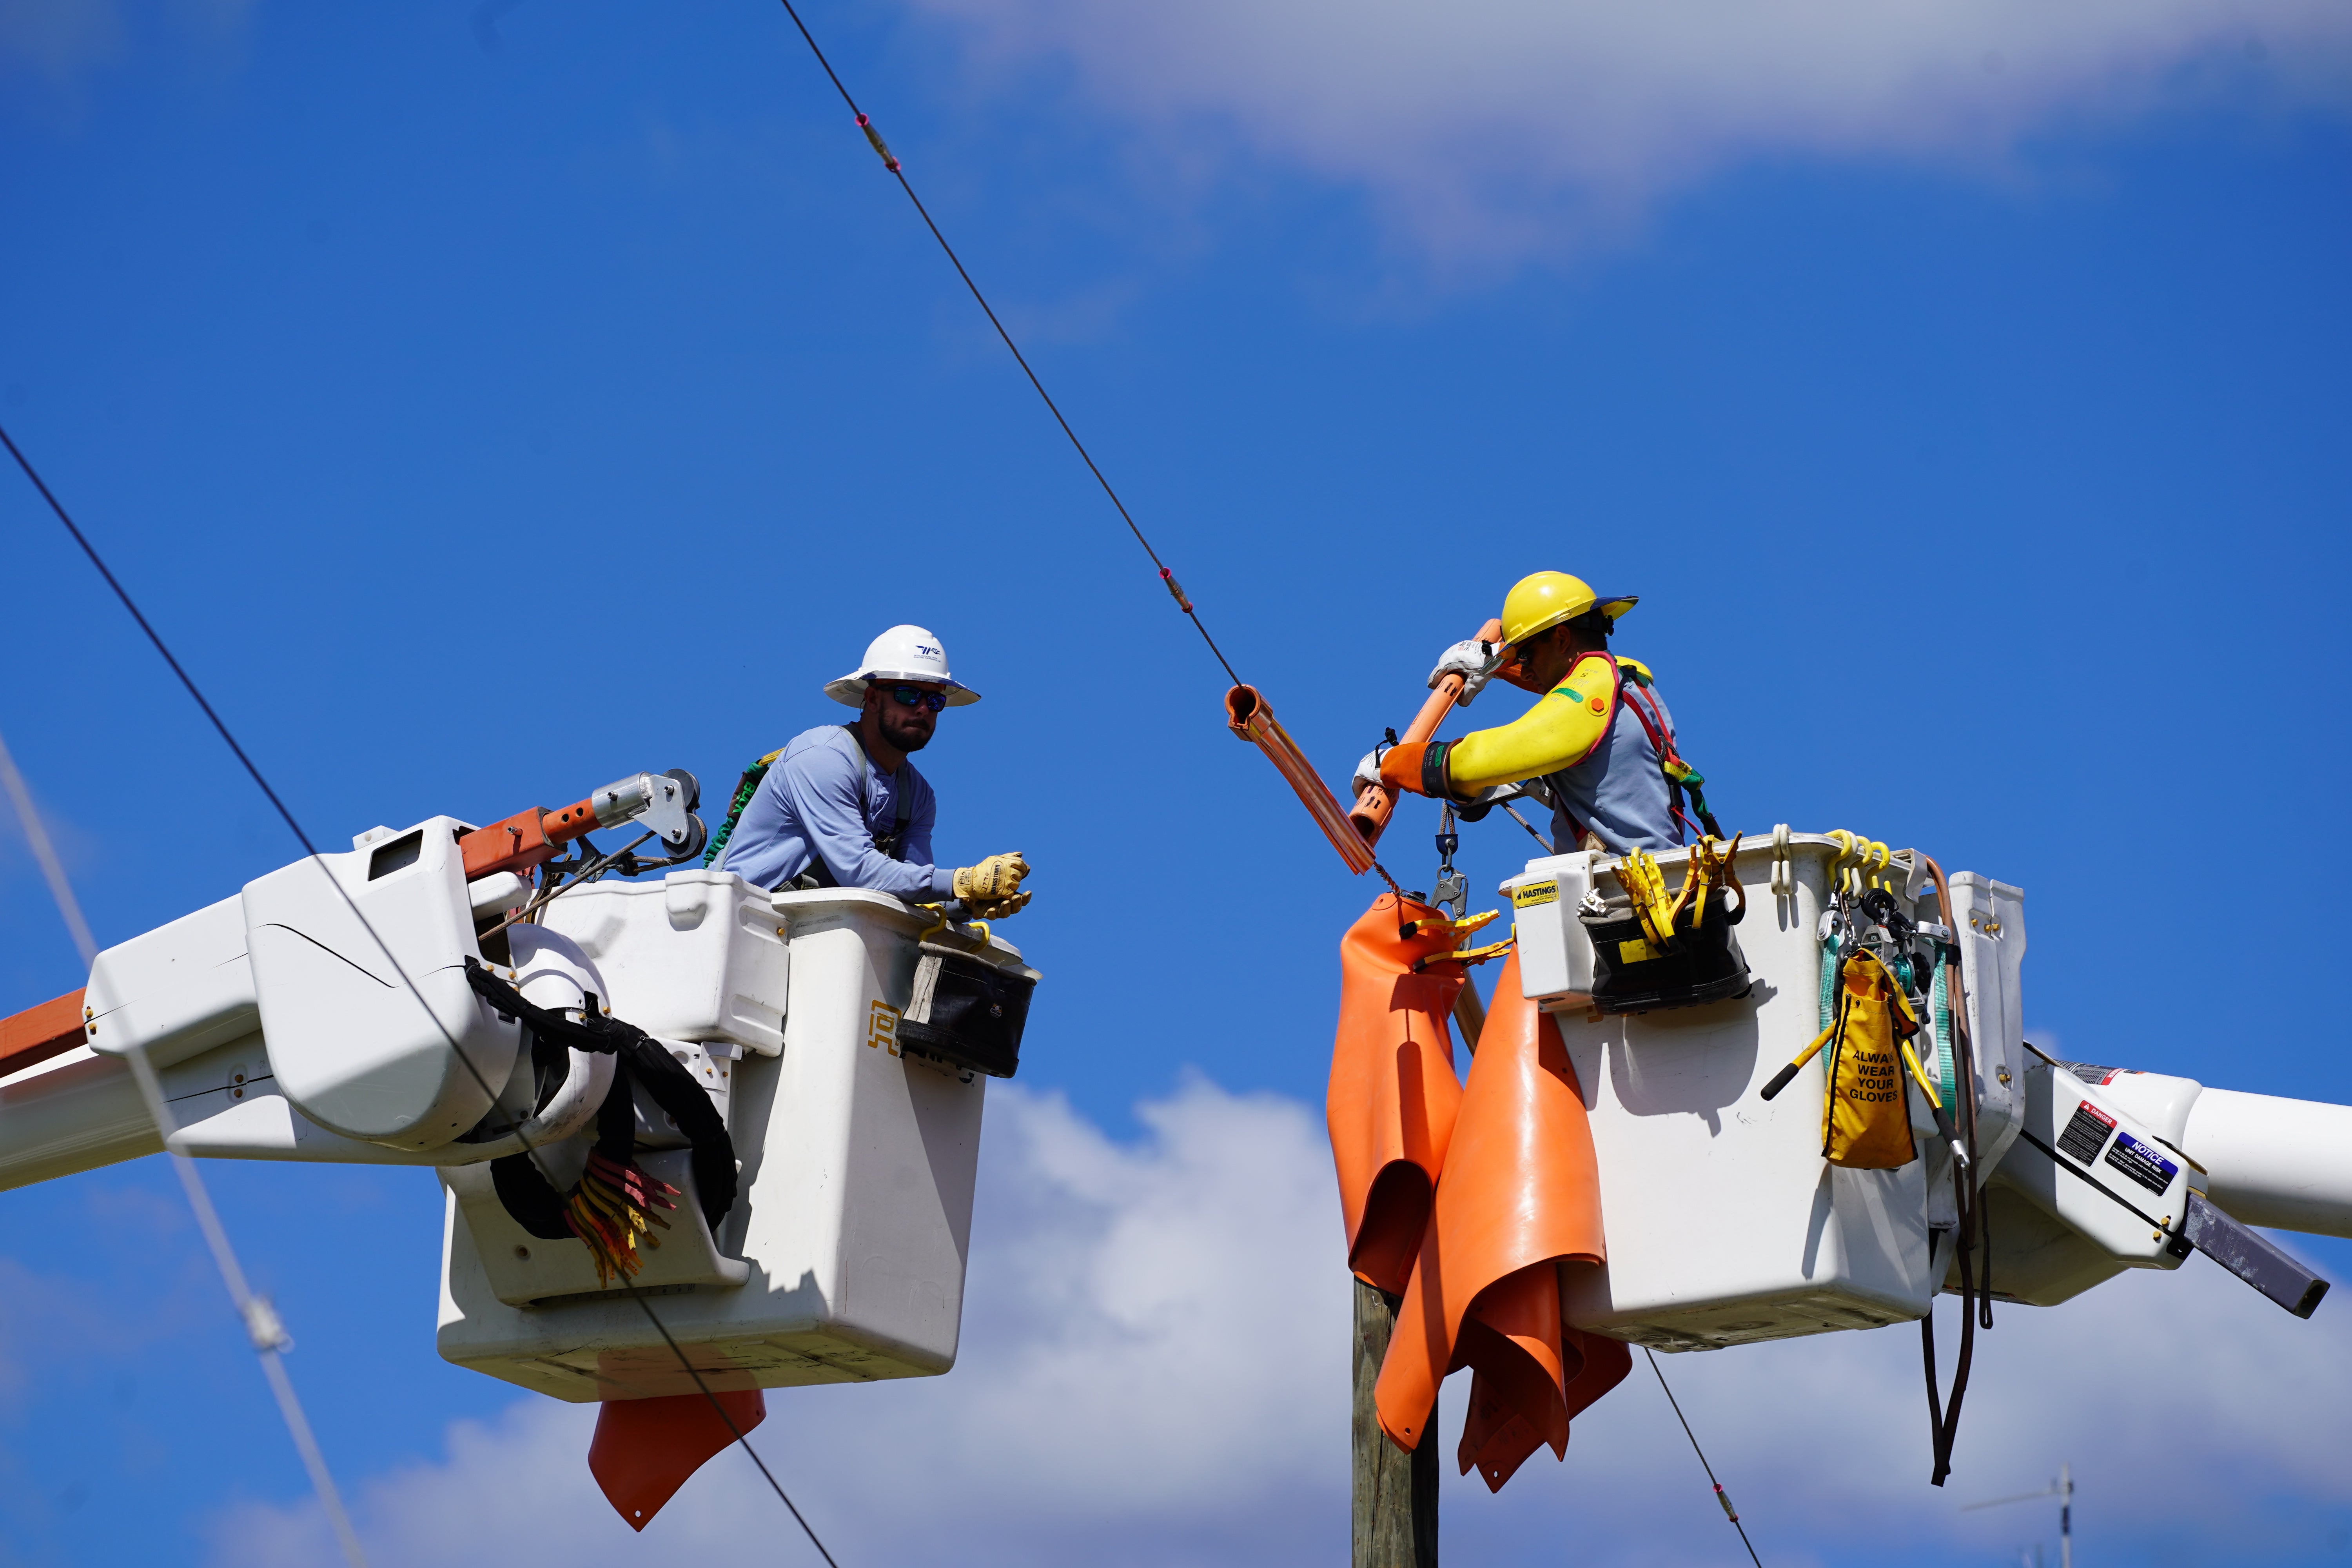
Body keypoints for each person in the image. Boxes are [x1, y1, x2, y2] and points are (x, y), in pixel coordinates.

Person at [1354, 572, 1719, 855]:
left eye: (1526, 657)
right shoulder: (1629, 682)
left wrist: (1393, 762)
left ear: (1561, 639)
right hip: (1651, 888)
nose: (1525, 671)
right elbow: (1575, 684)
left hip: (1625, 899)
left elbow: (1478, 760)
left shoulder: (1589, 698)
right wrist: (1495, 665)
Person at [711, 625, 1031, 918]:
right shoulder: (823, 758)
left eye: (934, 700)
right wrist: (962, 880)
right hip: (736, 924)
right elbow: (860, 870)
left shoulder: (917, 796)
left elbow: (913, 889)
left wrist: (968, 902)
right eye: (908, 694)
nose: (922, 709)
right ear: (873, 698)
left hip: (807, 933)